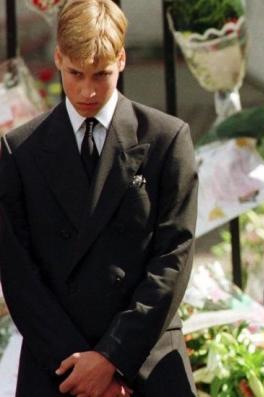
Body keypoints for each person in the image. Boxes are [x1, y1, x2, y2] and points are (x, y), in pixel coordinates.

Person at [0, 0, 198, 395]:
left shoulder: (166, 139)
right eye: (75, 73)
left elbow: (173, 259)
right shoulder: (18, 150)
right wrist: (80, 369)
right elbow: (18, 275)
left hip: (145, 362)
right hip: (57, 367)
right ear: (58, 58)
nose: (88, 90)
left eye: (101, 74)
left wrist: (113, 360)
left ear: (121, 60)